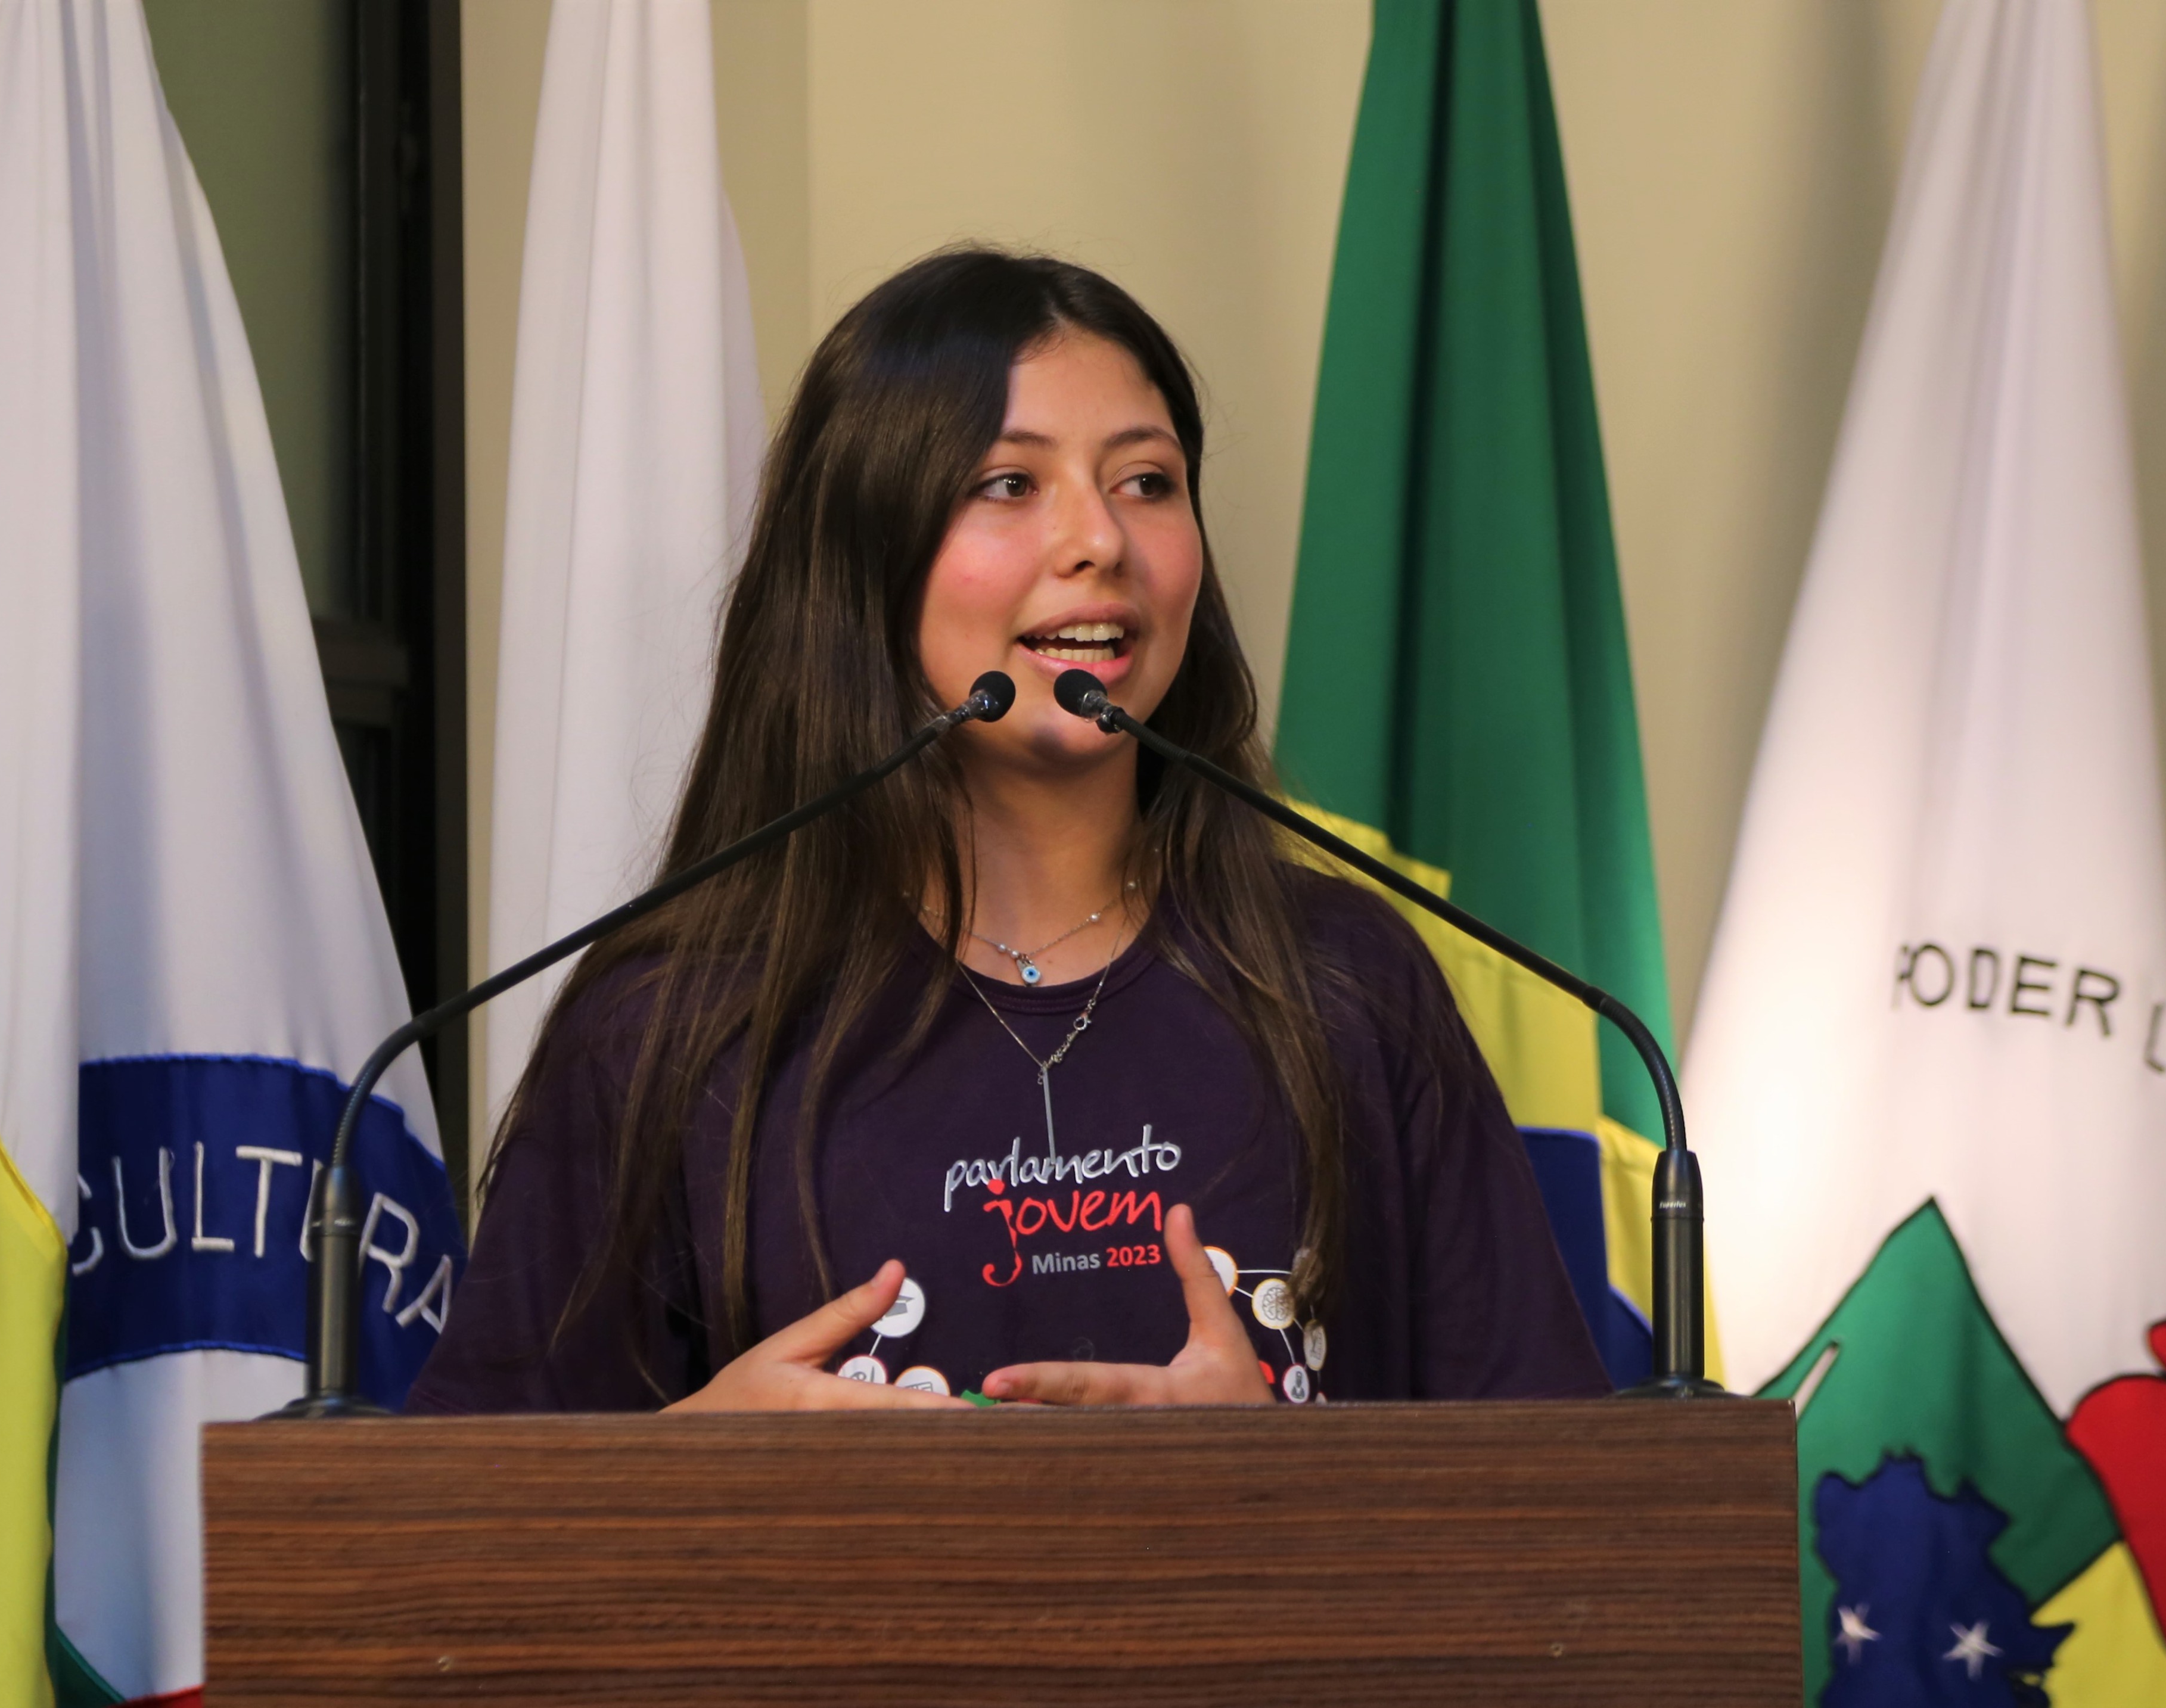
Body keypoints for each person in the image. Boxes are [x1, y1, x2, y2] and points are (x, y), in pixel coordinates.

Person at [408, 248, 1608, 1415]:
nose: (1099, 542)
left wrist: (1281, 1478)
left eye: (1147, 481)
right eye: (1008, 485)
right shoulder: (670, 1025)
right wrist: (693, 1475)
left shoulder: (1348, 982)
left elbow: (1561, 1506)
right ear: (864, 559)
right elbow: (461, 1547)